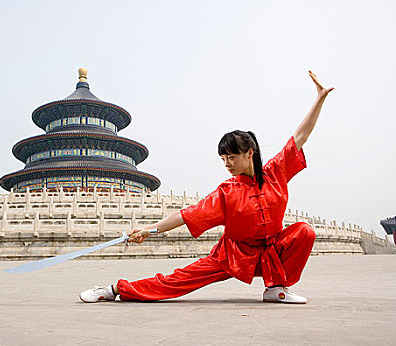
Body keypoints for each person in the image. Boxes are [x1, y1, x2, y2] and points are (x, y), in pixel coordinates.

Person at [79, 71, 334, 304]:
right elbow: (185, 214)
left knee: (304, 232)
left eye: (231, 157)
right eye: (223, 159)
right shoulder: (227, 192)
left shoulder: (276, 173)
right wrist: (149, 230)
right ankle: (113, 289)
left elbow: (300, 137)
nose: (227, 164)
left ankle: (276, 288)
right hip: (232, 257)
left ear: (249, 153)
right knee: (175, 281)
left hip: (270, 254)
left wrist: (319, 99)